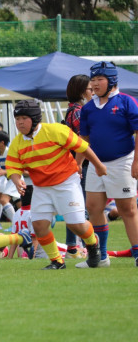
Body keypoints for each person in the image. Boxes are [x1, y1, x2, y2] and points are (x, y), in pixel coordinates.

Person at [7, 99, 107, 270]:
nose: (20, 122)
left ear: (35, 119)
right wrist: (17, 181)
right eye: (17, 119)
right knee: (39, 225)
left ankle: (92, 242)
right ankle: (57, 261)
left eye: (24, 118)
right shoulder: (17, 143)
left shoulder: (55, 130)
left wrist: (99, 165)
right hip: (41, 188)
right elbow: (12, 167)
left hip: (66, 183)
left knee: (76, 225)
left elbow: (82, 147)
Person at [79, 61, 138, 268]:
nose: (94, 84)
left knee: (127, 209)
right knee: (93, 207)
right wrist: (77, 164)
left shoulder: (126, 101)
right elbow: (83, 140)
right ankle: (101, 257)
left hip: (123, 161)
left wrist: (136, 162)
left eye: (100, 79)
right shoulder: (88, 108)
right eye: (93, 80)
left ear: (111, 80)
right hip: (96, 164)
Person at [63, 74, 93, 257]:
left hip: (74, 163)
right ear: (82, 92)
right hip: (82, 164)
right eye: (90, 89)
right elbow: (83, 140)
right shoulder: (79, 112)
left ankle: (72, 247)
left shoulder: (71, 110)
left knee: (74, 206)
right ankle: (83, 247)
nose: (93, 91)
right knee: (81, 207)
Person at [0, 130, 18, 229]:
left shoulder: (10, 152)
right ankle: (1, 223)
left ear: (2, 143)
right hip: (8, 181)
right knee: (1, 200)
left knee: (3, 200)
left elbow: (16, 167)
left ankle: (16, 224)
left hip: (15, 179)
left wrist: (4, 172)